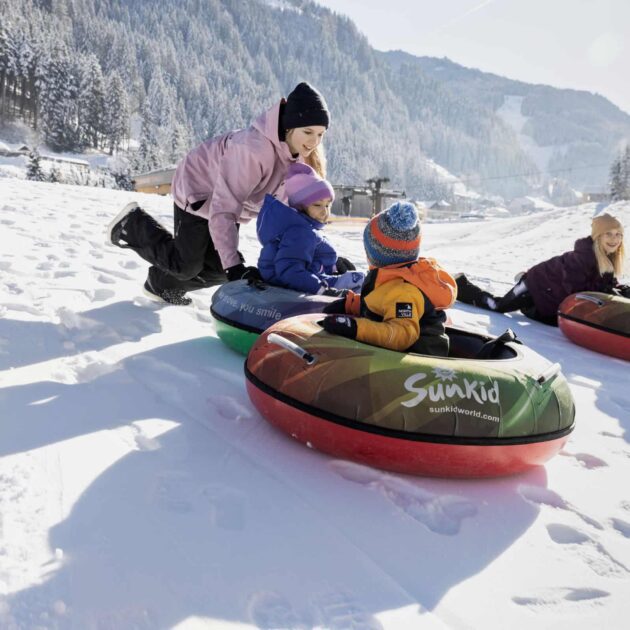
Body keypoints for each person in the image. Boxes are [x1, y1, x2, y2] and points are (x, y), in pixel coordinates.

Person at [107, 82, 333, 305]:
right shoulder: (254, 151)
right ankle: (133, 225)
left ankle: (160, 283)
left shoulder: (299, 159)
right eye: (308, 132)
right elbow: (225, 207)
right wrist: (234, 267)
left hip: (230, 203)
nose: (314, 141)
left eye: (321, 134)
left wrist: (318, 252)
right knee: (189, 265)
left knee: (220, 270)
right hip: (199, 187)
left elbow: (295, 216)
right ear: (289, 127)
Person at [319, 201, 457, 356]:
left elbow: (401, 334)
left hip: (418, 364)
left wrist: (356, 327)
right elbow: (382, 303)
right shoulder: (389, 277)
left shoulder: (405, 292)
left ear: (377, 256)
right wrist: (353, 304)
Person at [455, 212, 629, 326]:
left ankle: (523, 291)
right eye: (608, 234)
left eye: (618, 235)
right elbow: (574, 290)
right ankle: (459, 284)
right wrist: (607, 293)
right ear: (598, 236)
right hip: (535, 284)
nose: (614, 239)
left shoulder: (607, 259)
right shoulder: (583, 258)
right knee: (497, 306)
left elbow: (607, 283)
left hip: (550, 295)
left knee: (544, 317)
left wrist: (620, 291)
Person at [256, 163, 364, 294]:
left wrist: (335, 265)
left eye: (328, 205)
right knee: (361, 281)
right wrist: (322, 291)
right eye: (318, 205)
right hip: (312, 285)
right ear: (301, 206)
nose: (325, 212)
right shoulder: (301, 233)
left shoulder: (302, 229)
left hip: (314, 279)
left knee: (358, 279)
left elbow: (308, 259)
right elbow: (289, 270)